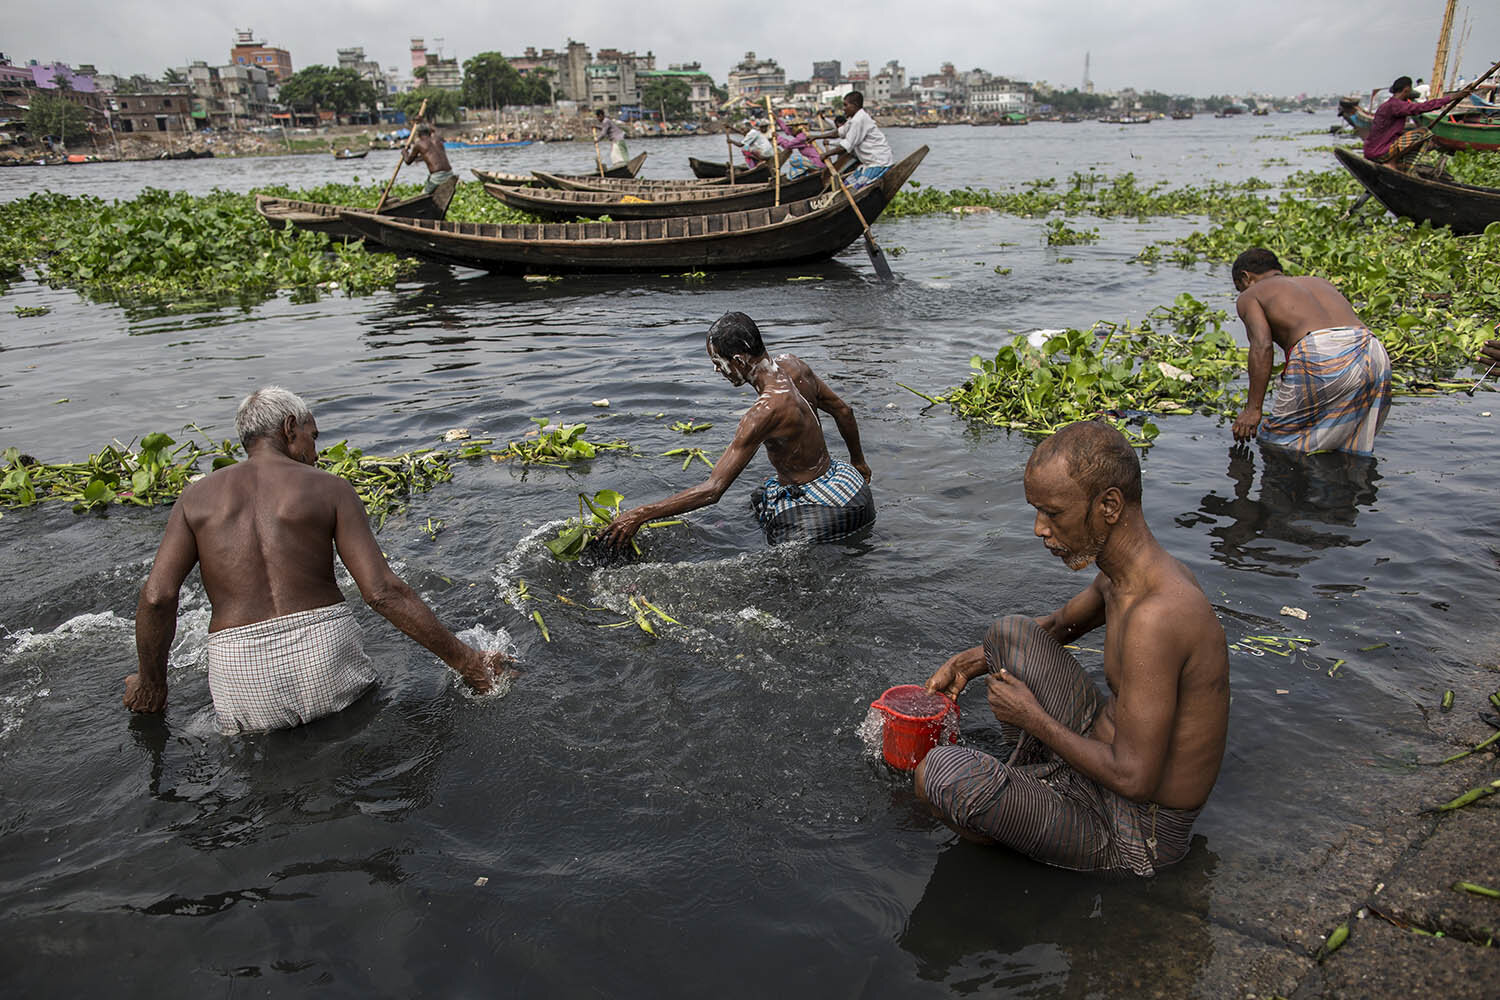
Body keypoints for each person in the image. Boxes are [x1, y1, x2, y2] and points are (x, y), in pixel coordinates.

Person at [915, 421, 1230, 877]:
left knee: (939, 774)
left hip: (1135, 832)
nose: (1040, 529)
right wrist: (969, 662)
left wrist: (1032, 718)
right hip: (1099, 763)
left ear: (1109, 506)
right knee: (1008, 635)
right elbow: (1060, 624)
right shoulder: (1124, 577)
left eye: (1053, 513)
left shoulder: (1158, 617)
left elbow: (1134, 780)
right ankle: (1033, 792)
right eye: (1037, 511)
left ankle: (1022, 827)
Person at [123, 387, 512, 734]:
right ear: (290, 427)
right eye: (313, 436)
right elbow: (381, 592)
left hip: (240, 673)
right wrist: (469, 662)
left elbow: (157, 597)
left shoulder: (195, 498)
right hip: (324, 658)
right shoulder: (330, 487)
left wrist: (152, 683)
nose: (316, 451)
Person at [601, 312, 873, 548]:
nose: (716, 370)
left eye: (719, 362)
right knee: (759, 498)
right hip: (844, 482)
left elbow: (713, 490)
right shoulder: (794, 364)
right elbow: (844, 411)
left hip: (820, 503)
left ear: (740, 361)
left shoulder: (764, 412)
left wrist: (641, 514)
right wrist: (858, 462)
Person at [1229, 248, 1392, 455]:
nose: (1241, 293)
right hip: (1372, 349)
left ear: (1245, 277)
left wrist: (1253, 410)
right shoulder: (1319, 282)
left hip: (1323, 351)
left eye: (1239, 288)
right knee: (1348, 445)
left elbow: (1262, 346)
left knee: (1275, 442)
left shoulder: (1252, 294)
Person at [810, 91, 894, 188]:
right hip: (868, 164)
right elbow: (839, 132)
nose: (844, 109)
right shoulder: (852, 119)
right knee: (845, 186)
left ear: (855, 105)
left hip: (879, 163)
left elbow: (846, 146)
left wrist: (826, 154)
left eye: (846, 105)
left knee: (854, 189)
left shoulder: (859, 120)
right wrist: (816, 137)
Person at [1362, 75, 1448, 170]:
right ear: (1406, 89)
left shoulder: (1386, 105)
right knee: (1423, 133)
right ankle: (1391, 162)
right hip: (1379, 152)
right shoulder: (1396, 105)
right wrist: (1449, 99)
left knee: (1413, 138)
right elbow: (1421, 107)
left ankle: (1400, 163)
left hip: (1369, 151)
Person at [403, 123, 455, 195]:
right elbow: (427, 156)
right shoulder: (438, 139)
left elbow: (408, 161)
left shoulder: (419, 144)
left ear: (418, 134)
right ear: (429, 132)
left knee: (422, 196)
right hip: (450, 173)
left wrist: (404, 152)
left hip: (438, 177)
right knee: (430, 181)